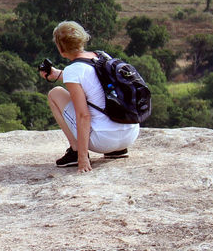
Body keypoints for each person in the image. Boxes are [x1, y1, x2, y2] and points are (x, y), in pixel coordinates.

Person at [38, 20, 138, 173]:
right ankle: (117, 151)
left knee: (55, 94)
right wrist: (57, 74)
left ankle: (76, 150)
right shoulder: (102, 56)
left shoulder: (73, 70)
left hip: (104, 139)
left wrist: (82, 158)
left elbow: (83, 115)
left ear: (60, 48)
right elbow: (92, 82)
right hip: (129, 134)